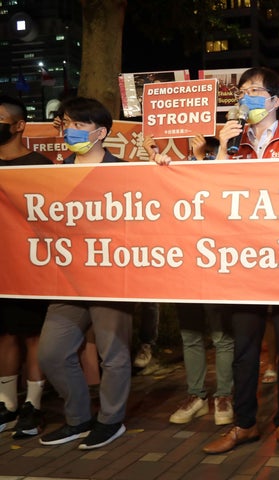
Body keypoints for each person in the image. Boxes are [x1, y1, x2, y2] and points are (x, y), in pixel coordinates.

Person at [185, 67, 279, 457]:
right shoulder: (233, 143)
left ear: (275, 101)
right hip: (243, 262)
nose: (246, 97)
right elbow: (211, 196)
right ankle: (245, 424)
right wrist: (220, 148)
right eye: (242, 91)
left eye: (255, 91)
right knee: (244, 351)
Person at [37, 97, 133, 450]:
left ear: (101, 133)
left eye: (79, 125)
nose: (71, 132)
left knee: (114, 355)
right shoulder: (52, 174)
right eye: (66, 125)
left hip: (111, 279)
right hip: (69, 280)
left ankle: (110, 421)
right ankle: (78, 419)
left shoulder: (125, 173)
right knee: (51, 352)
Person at [142, 137, 235, 426]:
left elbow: (219, 185)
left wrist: (203, 155)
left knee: (222, 336)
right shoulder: (178, 171)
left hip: (217, 263)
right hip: (184, 264)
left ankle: (224, 395)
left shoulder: (223, 166)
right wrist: (154, 159)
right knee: (190, 335)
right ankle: (197, 396)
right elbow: (159, 194)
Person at [0, 95, 52, 439]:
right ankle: (7, 404)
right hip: (1, 270)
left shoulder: (41, 166)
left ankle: (33, 405)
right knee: (5, 336)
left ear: (20, 125)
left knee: (34, 337)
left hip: (32, 269)